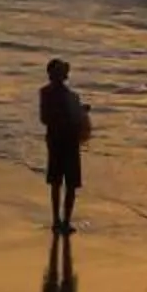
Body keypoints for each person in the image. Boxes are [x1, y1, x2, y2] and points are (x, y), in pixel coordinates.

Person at [38, 56, 90, 234]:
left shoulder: (58, 94)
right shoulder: (66, 96)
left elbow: (45, 118)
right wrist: (76, 114)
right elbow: (45, 118)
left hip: (60, 141)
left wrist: (78, 112)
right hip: (63, 141)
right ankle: (60, 221)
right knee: (63, 183)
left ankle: (61, 220)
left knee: (62, 183)